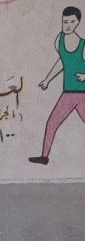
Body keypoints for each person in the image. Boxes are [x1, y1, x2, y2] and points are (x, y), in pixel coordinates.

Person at [29, 6, 85, 165]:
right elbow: (62, 61)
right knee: (52, 122)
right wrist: (47, 80)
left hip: (82, 93)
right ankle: (44, 157)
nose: (68, 25)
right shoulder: (59, 40)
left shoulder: (83, 44)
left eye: (72, 22)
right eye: (65, 22)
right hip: (68, 93)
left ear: (77, 23)